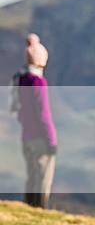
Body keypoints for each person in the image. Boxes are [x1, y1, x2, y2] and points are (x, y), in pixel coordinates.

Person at [10, 34, 57, 208]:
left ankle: (29, 207)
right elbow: (43, 114)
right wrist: (51, 140)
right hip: (39, 138)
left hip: (26, 136)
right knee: (43, 177)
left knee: (31, 175)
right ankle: (40, 208)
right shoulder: (38, 82)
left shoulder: (20, 80)